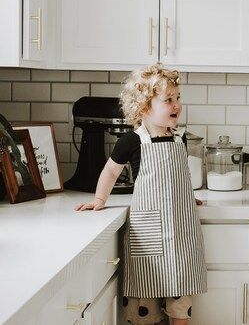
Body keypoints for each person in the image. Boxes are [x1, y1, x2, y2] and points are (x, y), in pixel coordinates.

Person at [75, 64, 207, 325]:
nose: (176, 105)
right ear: (145, 107)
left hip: (181, 234)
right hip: (148, 236)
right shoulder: (133, 141)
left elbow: (179, 174)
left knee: (180, 304)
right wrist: (100, 200)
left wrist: (186, 196)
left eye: (177, 98)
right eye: (168, 100)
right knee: (144, 304)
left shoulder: (179, 138)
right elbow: (111, 171)